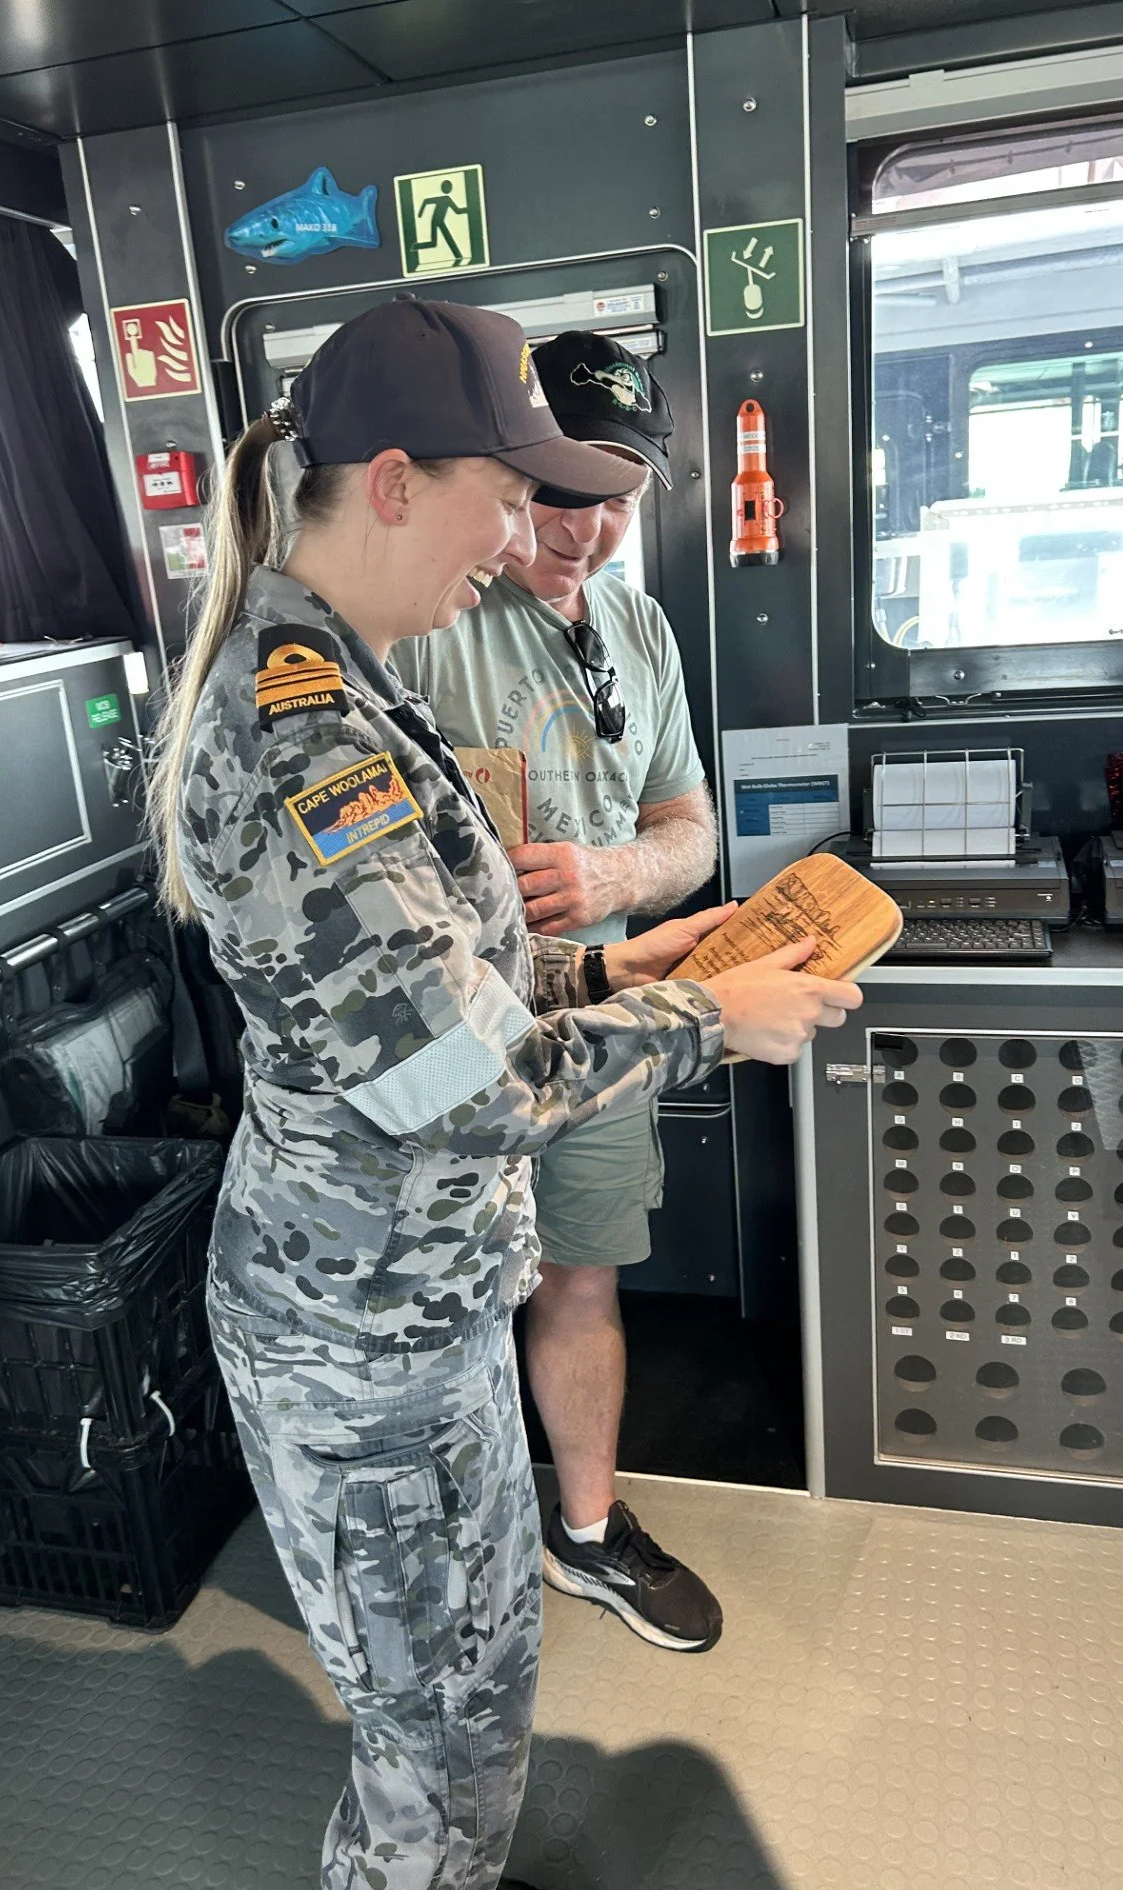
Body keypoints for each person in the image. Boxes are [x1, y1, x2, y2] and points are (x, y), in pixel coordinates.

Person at [147, 296, 862, 1890]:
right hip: (361, 1342)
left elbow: (435, 992)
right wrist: (714, 1018)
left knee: (474, 1693)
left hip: (424, 1302)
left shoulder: (354, 679)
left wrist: (620, 961)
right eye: (511, 491)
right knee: (434, 1741)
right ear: (399, 482)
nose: (528, 531)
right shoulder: (302, 731)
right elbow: (466, 1098)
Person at [396, 332, 724, 1655]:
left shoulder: (640, 629)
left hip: (601, 1024)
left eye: (618, 499)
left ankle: (584, 1535)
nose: (584, 531)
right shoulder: (426, 619)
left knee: (581, 1277)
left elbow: (691, 831)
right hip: (447, 1046)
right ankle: (448, 1561)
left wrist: (614, 874)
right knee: (448, 1297)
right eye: (559, 494)